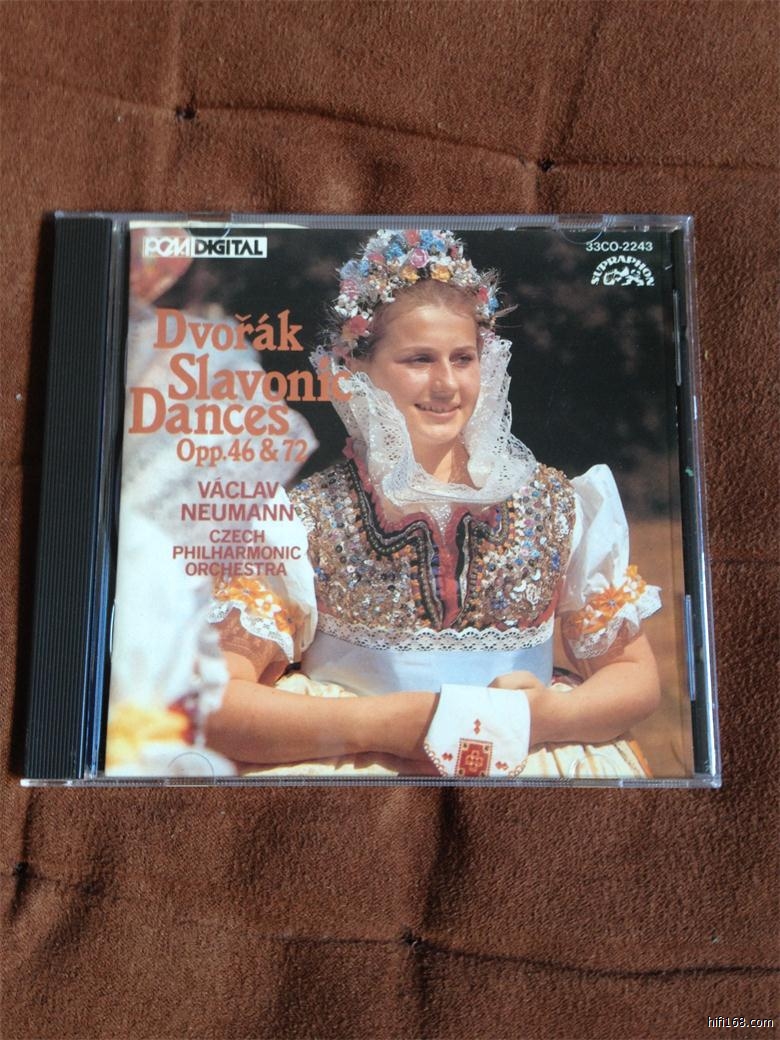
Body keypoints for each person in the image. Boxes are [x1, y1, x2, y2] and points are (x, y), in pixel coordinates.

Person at [203, 230, 662, 779]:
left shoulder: (555, 504)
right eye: (419, 359)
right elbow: (219, 702)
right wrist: (385, 725)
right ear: (357, 369)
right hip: (360, 771)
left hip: (527, 762)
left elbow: (634, 677)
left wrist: (544, 716)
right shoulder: (304, 518)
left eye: (463, 358)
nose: (445, 384)